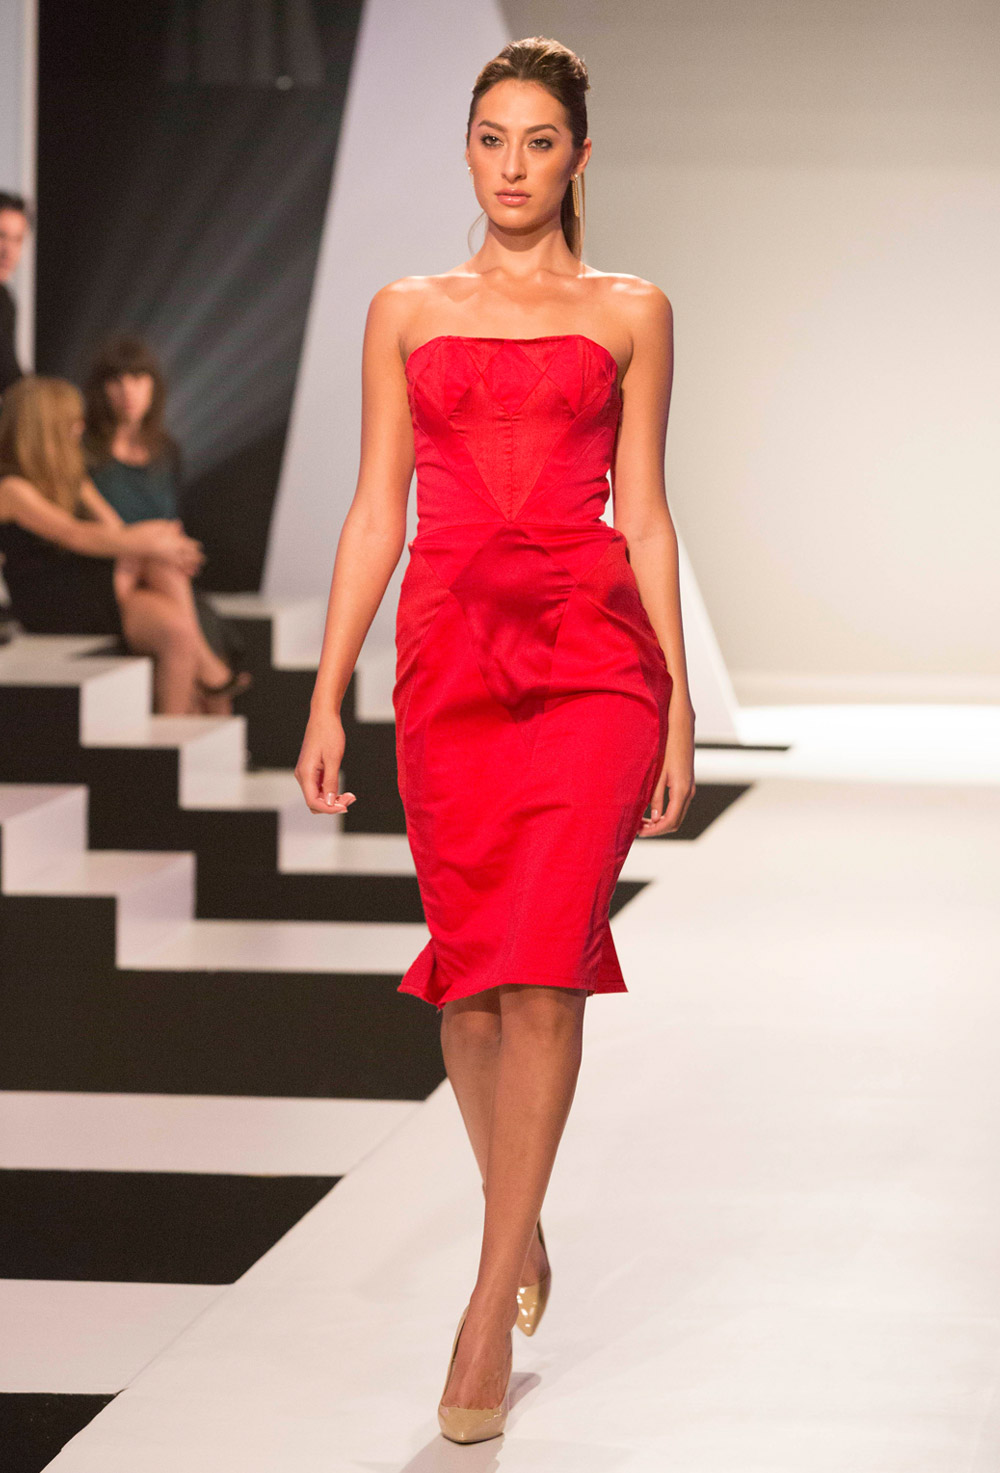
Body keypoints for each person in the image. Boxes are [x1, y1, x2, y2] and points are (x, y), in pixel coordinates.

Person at [294, 36, 696, 1443]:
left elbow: (645, 509)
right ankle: (517, 1225)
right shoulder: (406, 310)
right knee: (470, 984)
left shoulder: (633, 310)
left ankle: (481, 1310)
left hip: (593, 660)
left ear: (579, 156)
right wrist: (326, 687)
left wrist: (676, 699)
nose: (512, 166)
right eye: (489, 138)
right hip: (450, 657)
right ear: (465, 150)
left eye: (538, 141)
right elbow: (375, 509)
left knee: (545, 969)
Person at [0, 375, 243, 714]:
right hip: (52, 601)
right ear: (45, 429)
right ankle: (211, 674)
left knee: (177, 633)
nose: (79, 428)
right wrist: (154, 540)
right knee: (152, 553)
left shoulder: (71, 476)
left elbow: (114, 527)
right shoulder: (12, 488)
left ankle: (181, 725)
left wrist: (154, 540)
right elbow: (74, 534)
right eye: (70, 421)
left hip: (93, 586)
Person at [82, 333, 249, 710]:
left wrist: (180, 548)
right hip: (112, 575)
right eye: (116, 380)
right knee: (178, 617)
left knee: (184, 602)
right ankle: (210, 675)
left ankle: (208, 684)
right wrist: (158, 544)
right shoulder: (87, 454)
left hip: (166, 575)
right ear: (101, 389)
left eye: (138, 378)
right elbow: (102, 531)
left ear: (153, 386)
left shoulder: (164, 451)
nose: (128, 391)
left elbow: (174, 523)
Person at [0, 191, 30, 394]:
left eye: (18, 240)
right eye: (1, 236)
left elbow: (9, 373)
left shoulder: (5, 301)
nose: (8, 251)